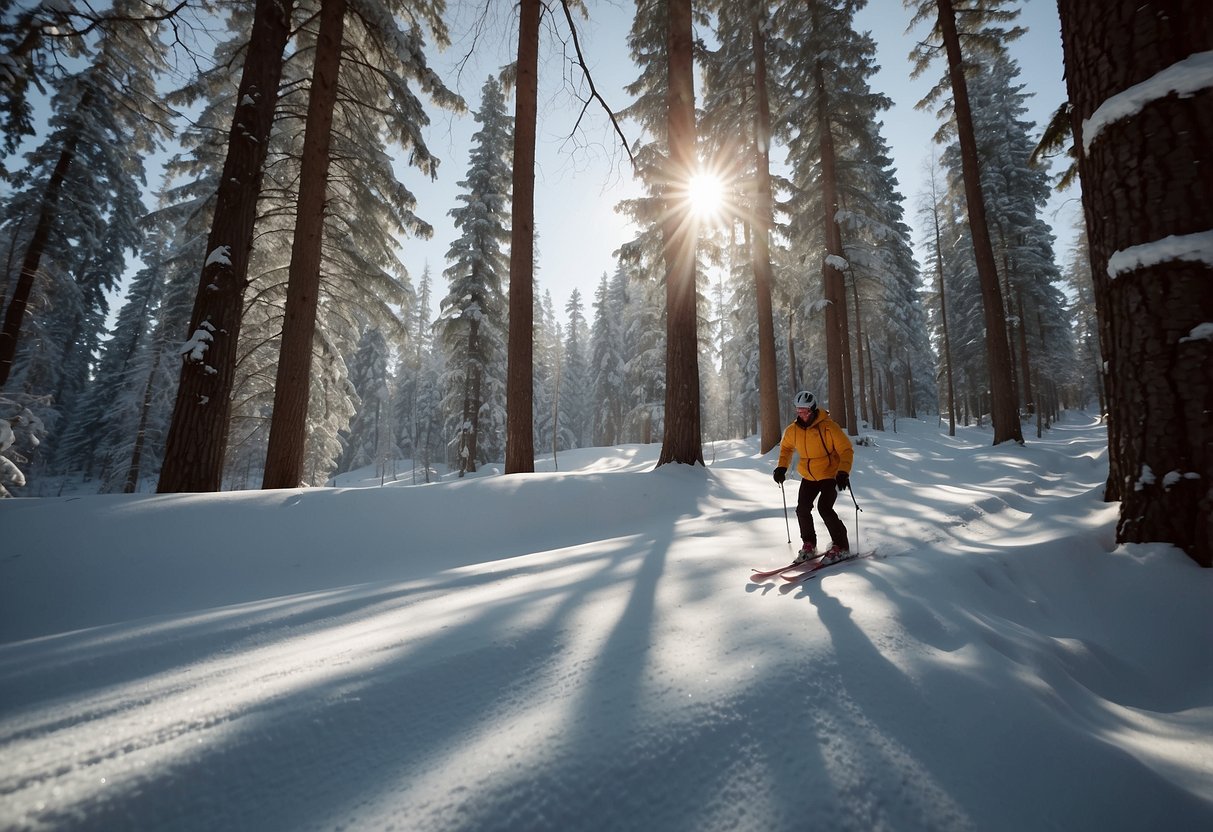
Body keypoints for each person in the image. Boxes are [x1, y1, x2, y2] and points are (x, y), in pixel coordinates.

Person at [772, 391, 855, 564]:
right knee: (802, 509)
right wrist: (781, 467)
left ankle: (842, 546)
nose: (801, 415)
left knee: (824, 508)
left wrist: (843, 471)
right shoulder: (793, 430)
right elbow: (786, 448)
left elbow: (846, 449)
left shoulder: (829, 427)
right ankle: (809, 544)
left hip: (829, 474)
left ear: (813, 409)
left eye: (805, 411)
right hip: (809, 476)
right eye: (798, 411)